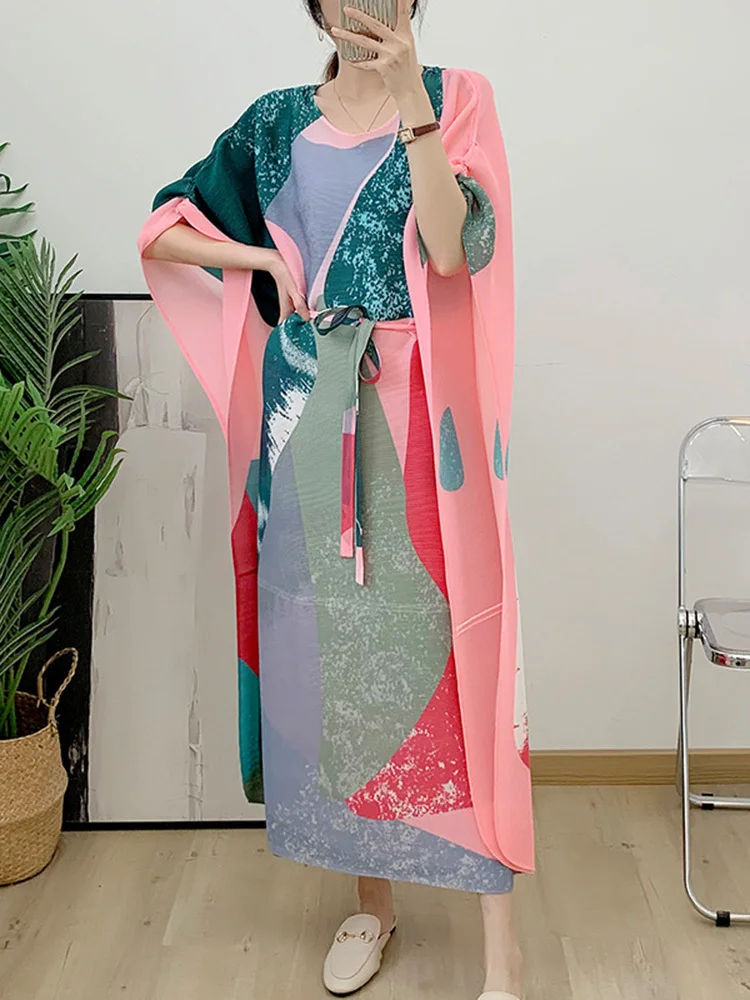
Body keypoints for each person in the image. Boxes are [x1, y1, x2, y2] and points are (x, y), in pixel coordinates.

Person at [138, 2, 534, 997]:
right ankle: (374, 903)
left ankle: (502, 949)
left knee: (452, 659)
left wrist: (410, 100)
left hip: (420, 421)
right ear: (317, 7)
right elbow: (165, 227)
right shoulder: (275, 123)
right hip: (312, 422)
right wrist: (264, 259)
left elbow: (451, 251)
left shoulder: (457, 99)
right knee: (337, 663)